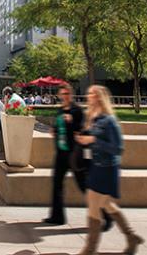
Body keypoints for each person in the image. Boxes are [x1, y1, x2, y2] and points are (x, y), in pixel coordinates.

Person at [74, 85, 143, 255]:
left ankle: (89, 249)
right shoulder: (93, 118)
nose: (88, 96)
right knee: (106, 204)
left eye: (92, 94)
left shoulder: (109, 120)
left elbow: (117, 148)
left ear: (99, 97)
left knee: (93, 205)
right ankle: (132, 237)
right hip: (96, 166)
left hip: (107, 168)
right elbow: (92, 140)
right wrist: (84, 139)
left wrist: (93, 140)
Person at [43, 85, 113, 231]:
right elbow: (57, 128)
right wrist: (54, 131)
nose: (65, 96)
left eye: (67, 93)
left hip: (74, 155)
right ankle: (57, 217)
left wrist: (72, 121)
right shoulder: (60, 110)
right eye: (62, 94)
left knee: (85, 188)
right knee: (56, 184)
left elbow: (82, 128)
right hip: (61, 154)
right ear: (59, 95)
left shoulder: (77, 110)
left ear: (71, 94)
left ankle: (106, 216)